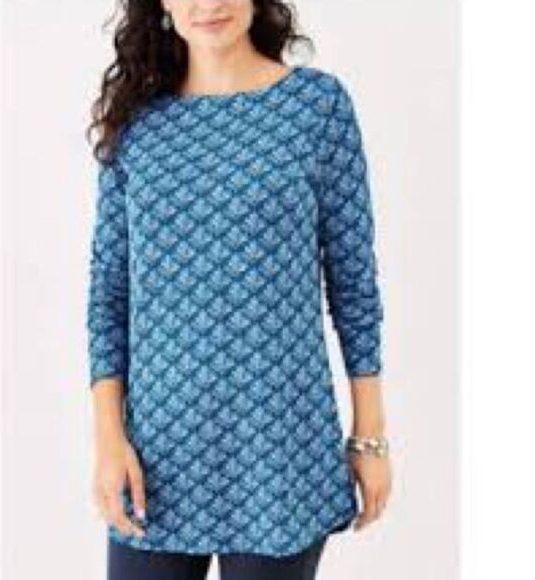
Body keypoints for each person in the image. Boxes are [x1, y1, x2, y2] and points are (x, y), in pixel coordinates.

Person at [85, 1, 392, 579]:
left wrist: (369, 435)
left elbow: (353, 282)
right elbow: (109, 293)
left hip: (280, 450)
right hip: (157, 454)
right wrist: (108, 437)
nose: (209, 4)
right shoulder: (137, 124)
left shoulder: (317, 107)